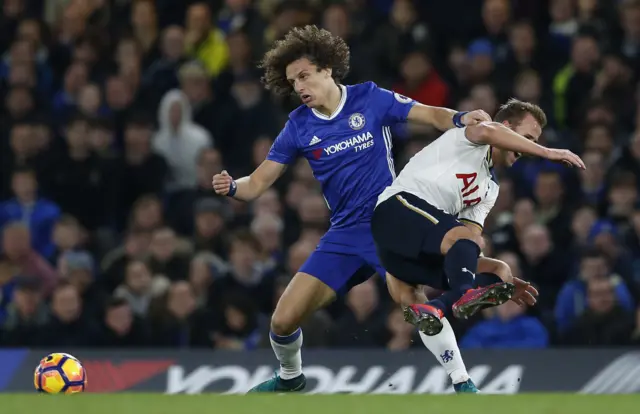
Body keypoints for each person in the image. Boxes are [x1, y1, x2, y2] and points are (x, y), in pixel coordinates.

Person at [212, 25, 492, 393]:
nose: (298, 86)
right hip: (344, 235)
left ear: (327, 68)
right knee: (281, 322)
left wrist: (460, 118)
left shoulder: (370, 99)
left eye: (304, 75)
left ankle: (462, 382)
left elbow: (430, 115)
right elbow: (259, 182)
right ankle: (291, 378)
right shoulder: (298, 126)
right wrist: (233, 186)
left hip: (388, 223)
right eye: (292, 81)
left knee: (412, 303)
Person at [372, 99, 585, 339]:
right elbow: (487, 130)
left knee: (501, 270)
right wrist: (547, 152)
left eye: (533, 143)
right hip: (395, 214)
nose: (527, 149)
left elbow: (469, 237)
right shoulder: (468, 137)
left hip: (408, 255)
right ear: (505, 126)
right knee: (467, 243)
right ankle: (465, 291)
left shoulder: (491, 188)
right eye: (527, 139)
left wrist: (495, 283)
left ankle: (436, 308)